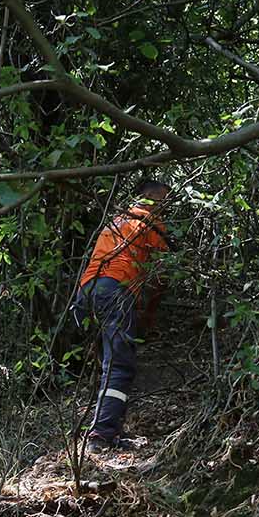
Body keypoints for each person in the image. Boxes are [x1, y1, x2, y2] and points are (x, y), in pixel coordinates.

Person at [70, 179, 171, 448]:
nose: (164, 208)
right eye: (162, 201)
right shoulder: (150, 223)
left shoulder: (115, 221)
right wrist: (149, 315)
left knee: (107, 364)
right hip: (114, 290)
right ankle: (101, 434)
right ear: (150, 198)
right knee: (119, 365)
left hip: (86, 293)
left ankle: (106, 427)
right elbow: (162, 275)